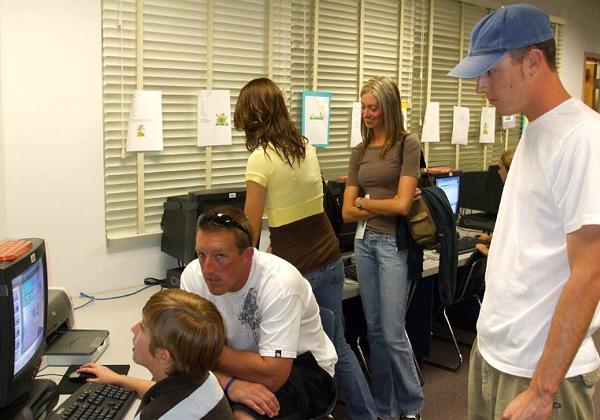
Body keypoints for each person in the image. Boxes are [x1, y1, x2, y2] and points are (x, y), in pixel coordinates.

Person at [448, 4, 600, 419]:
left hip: (541, 374)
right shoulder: (534, 130)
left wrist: (541, 389)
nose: (480, 86)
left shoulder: (584, 139)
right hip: (497, 353)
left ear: (533, 61)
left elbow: (591, 273)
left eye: (490, 72)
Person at [234, 77, 377, 419]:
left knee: (288, 354)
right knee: (335, 346)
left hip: (298, 269)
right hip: (329, 258)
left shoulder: (261, 158)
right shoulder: (304, 145)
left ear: (255, 115)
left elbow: (249, 228)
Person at [180, 206, 338, 419]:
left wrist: (203, 352)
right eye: (201, 254)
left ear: (247, 255)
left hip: (303, 368)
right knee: (175, 395)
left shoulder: (280, 285)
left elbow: (273, 376)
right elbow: (181, 355)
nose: (207, 269)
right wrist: (231, 384)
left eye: (220, 256)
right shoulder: (192, 275)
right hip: (243, 367)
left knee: (241, 416)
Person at [342, 76, 423, 420]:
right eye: (363, 106)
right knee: (374, 331)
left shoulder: (407, 144)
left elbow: (403, 206)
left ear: (388, 107)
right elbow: (346, 211)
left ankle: (412, 406)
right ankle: (385, 408)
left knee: (392, 333)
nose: (367, 113)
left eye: (373, 107)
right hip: (364, 244)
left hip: (393, 245)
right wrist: (379, 202)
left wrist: (365, 201)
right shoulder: (359, 151)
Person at [78, 289, 233, 419]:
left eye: (143, 328)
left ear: (163, 357)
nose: (133, 328)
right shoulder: (204, 378)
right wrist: (117, 379)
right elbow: (164, 394)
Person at [475, 148, 514, 256]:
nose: (498, 172)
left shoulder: (515, 199)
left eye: (500, 168)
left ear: (510, 170)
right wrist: (489, 239)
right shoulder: (512, 193)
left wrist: (487, 252)